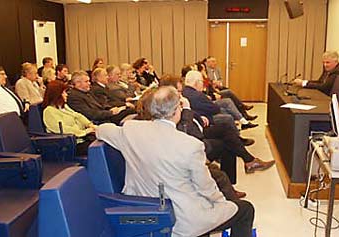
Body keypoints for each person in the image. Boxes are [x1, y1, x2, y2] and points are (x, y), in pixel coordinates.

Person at [96, 86, 255, 237]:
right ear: (177, 110)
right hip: (183, 220)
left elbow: (102, 130)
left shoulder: (131, 130)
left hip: (145, 207)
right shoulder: (191, 145)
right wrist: (222, 203)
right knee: (245, 209)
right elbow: (206, 188)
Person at [161, 74, 275, 176]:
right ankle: (247, 163)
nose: (182, 94)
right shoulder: (168, 106)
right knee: (227, 141)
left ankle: (249, 161)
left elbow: (191, 114)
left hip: (197, 128)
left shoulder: (178, 100)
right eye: (179, 91)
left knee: (226, 130)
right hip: (193, 138)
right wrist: (186, 108)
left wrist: (198, 116)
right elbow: (186, 130)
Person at [183, 70, 257, 130]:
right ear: (197, 82)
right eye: (202, 82)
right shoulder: (197, 94)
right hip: (204, 117)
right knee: (228, 115)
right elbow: (215, 109)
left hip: (201, 113)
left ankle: (242, 121)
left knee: (226, 103)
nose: (203, 84)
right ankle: (237, 136)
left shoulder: (185, 91)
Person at [42, 80, 96, 156]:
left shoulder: (64, 107)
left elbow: (78, 116)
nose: (66, 95)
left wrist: (90, 125)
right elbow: (63, 129)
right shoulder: (49, 111)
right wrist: (85, 132)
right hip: (70, 146)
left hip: (82, 139)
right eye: (63, 92)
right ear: (57, 95)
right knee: (98, 147)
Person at [67, 70, 134, 125]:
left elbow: (101, 104)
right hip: (100, 121)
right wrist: (111, 112)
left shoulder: (87, 92)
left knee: (132, 110)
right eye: (86, 81)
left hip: (105, 115)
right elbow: (90, 114)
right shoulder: (74, 97)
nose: (89, 83)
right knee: (133, 111)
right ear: (78, 83)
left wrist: (114, 109)